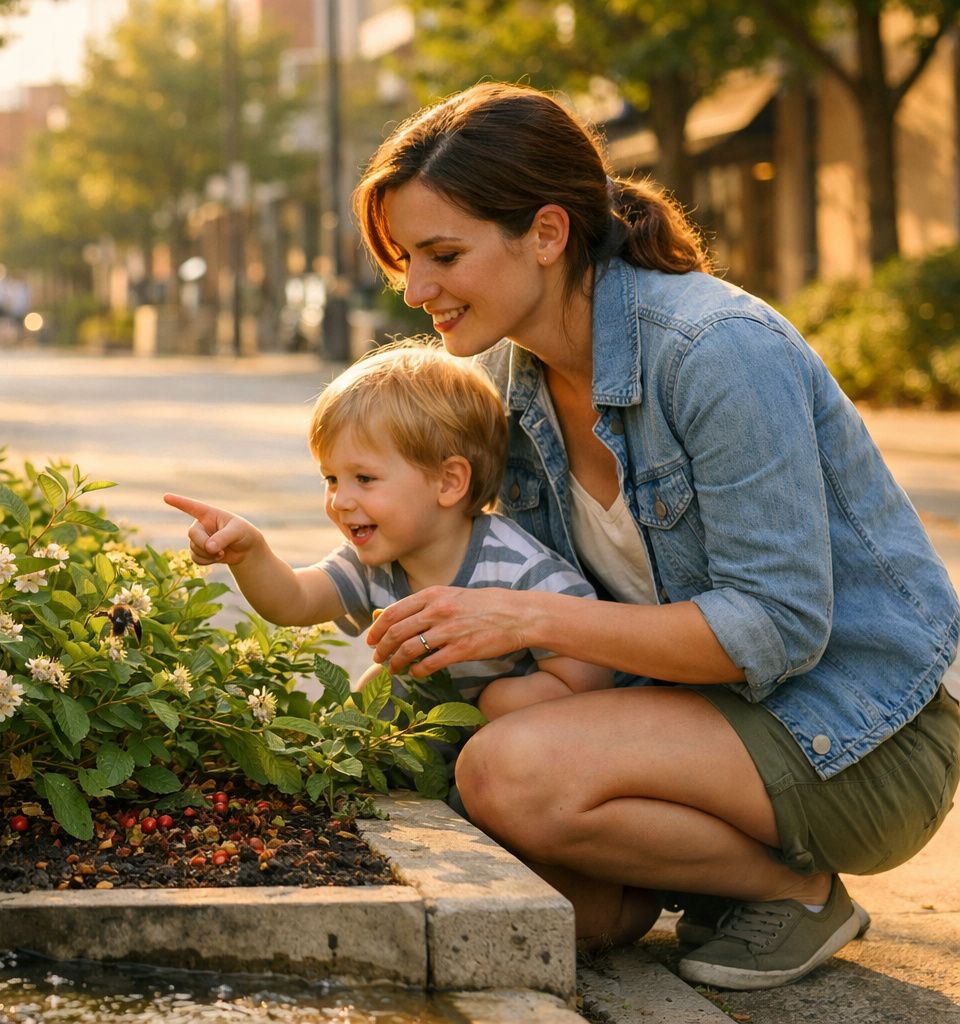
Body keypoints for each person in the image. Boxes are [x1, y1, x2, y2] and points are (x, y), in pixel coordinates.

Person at [351, 81, 960, 991]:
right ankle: (687, 887)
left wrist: (524, 621)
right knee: (571, 907)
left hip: (858, 732)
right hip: (692, 717)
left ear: (548, 235)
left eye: (443, 254)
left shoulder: (714, 350)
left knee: (509, 777)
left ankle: (791, 891)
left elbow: (777, 629)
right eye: (406, 259)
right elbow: (452, 547)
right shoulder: (509, 378)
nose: (417, 289)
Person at [165, 340, 611, 720]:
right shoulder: (373, 561)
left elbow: (590, 673)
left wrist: (491, 704)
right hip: (425, 746)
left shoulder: (520, 570)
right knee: (373, 692)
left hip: (516, 749)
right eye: (331, 479)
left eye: (364, 478)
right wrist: (251, 554)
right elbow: (295, 601)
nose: (340, 500)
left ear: (448, 481)